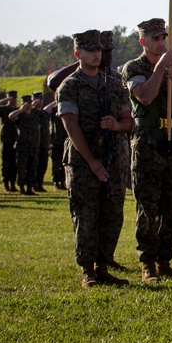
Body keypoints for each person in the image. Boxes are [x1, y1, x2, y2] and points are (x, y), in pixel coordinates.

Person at [57, 29, 132, 288]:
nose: (96, 54)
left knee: (112, 214)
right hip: (82, 161)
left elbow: (128, 121)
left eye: (99, 50)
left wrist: (116, 125)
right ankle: (88, 270)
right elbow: (71, 127)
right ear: (78, 54)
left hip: (112, 158)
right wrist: (91, 161)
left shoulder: (113, 84)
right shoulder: (70, 86)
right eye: (90, 50)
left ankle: (103, 266)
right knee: (86, 215)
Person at [121, 17, 172, 283]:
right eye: (155, 38)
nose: (161, 42)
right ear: (143, 41)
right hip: (148, 142)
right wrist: (161, 68)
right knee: (148, 206)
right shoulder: (134, 68)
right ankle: (147, 262)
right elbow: (145, 96)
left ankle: (165, 259)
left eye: (163, 37)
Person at [9, 94, 42, 195]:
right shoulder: (20, 116)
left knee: (32, 167)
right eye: (25, 103)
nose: (27, 105)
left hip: (32, 146)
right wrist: (20, 109)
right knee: (22, 167)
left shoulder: (35, 117)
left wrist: (37, 144)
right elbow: (11, 116)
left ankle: (30, 188)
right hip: (22, 146)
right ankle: (22, 187)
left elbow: (38, 132)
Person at [0, 90, 18, 191]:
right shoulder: (4, 109)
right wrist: (4, 100)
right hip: (6, 139)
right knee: (6, 162)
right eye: (10, 97)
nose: (12, 100)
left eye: (14, 98)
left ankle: (13, 184)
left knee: (14, 163)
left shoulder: (18, 110)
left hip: (16, 139)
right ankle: (6, 184)